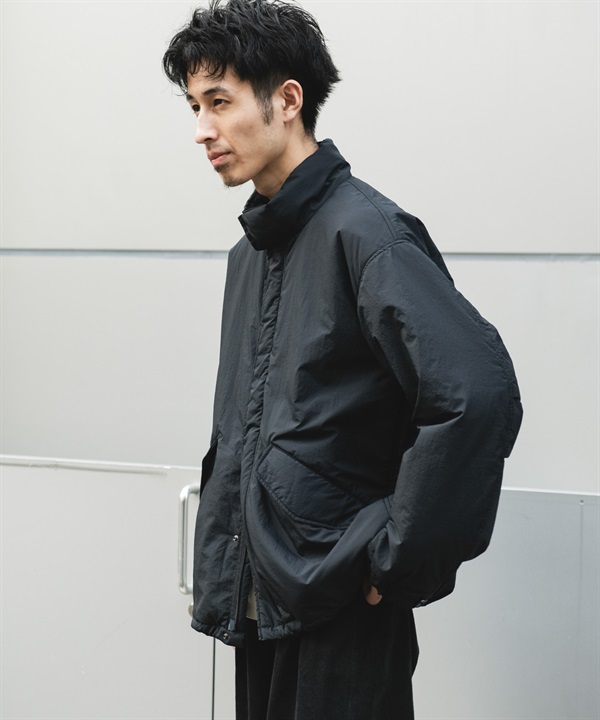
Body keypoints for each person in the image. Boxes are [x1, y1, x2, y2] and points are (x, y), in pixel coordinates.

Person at [163, 1, 523, 717]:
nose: (201, 129)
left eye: (219, 102)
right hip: (260, 604)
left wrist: (395, 558)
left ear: (287, 100)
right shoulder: (249, 257)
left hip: (342, 609)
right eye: (194, 106)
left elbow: (475, 394)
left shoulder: (368, 235)